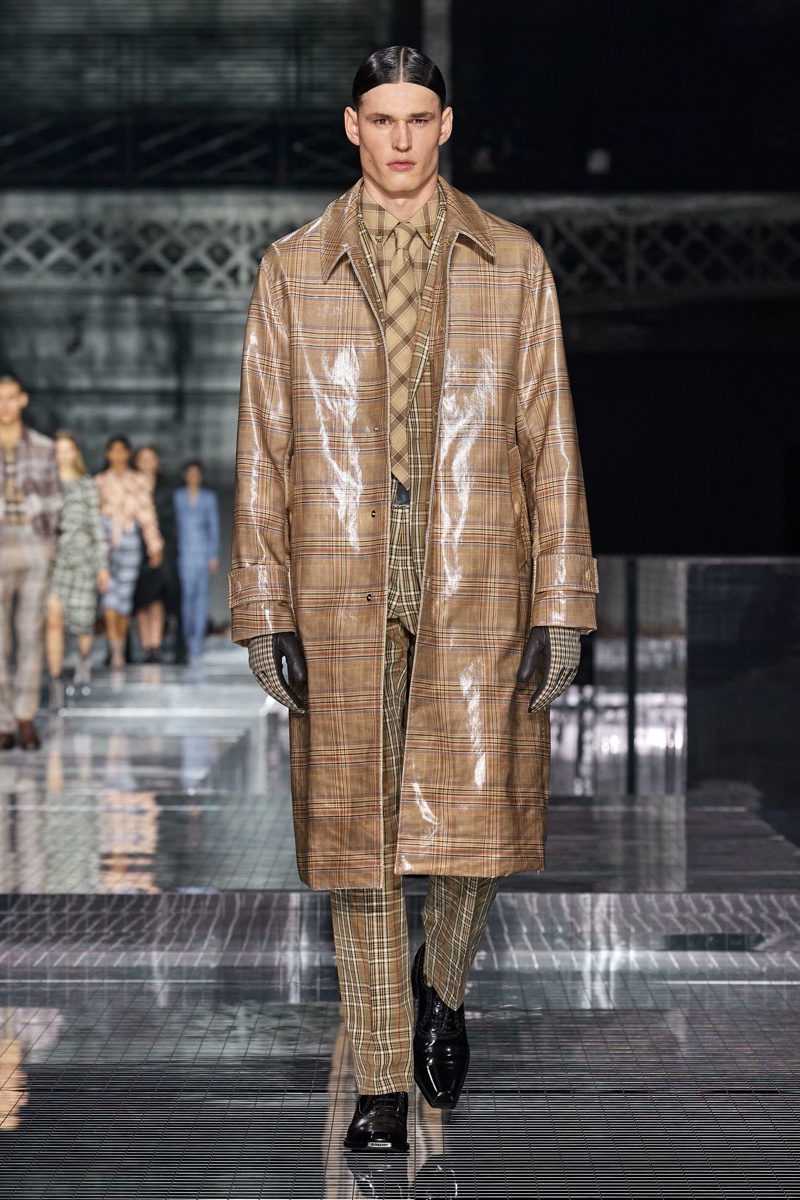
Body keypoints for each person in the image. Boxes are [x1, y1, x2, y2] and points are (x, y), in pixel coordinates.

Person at [229, 46, 598, 1153]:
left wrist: (562, 599)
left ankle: (443, 982)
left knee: (473, 820)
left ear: (445, 125)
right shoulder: (293, 269)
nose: (399, 139)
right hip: (336, 574)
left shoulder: (511, 260)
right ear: (352, 126)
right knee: (357, 837)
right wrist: (263, 606)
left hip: (479, 569)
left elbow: (550, 438)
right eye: (380, 118)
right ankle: (382, 1081)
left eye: (417, 119)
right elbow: (264, 448)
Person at [0, 375, 61, 751]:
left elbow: (56, 498)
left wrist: (48, 543)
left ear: (22, 400)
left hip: (33, 543)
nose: (3, 405)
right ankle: (3, 719)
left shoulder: (43, 446)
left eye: (9, 398)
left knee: (29, 634)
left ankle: (25, 716)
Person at [46, 430, 109, 692]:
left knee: (83, 622)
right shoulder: (44, 483)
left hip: (83, 560)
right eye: (57, 450)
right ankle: (55, 678)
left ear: (75, 453)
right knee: (53, 617)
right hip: (52, 561)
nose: (62, 455)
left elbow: (96, 526)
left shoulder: (86, 485)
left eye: (67, 450)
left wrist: (102, 565)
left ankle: (84, 661)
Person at [95, 436, 163, 670]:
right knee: (108, 595)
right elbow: (94, 516)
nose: (117, 455)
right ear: (107, 454)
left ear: (127, 453)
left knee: (123, 598)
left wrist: (154, 545)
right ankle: (115, 649)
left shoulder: (138, 481)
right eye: (113, 450)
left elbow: (147, 513)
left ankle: (120, 647)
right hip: (105, 539)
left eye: (121, 450)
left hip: (130, 539)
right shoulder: (99, 481)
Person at [132, 445, 182, 663]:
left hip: (162, 548)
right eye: (142, 458)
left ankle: (155, 645)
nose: (146, 462)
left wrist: (164, 547)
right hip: (135, 547)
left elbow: (172, 521)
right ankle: (145, 646)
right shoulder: (130, 485)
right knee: (141, 599)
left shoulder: (166, 488)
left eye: (150, 458)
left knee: (157, 597)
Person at [173, 460, 219, 660]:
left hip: (201, 553)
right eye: (189, 473)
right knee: (185, 597)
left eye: (196, 473)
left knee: (201, 598)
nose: (193, 477)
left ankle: (198, 641)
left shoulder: (208, 498)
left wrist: (213, 554)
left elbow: (213, 527)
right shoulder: (177, 496)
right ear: (185, 475)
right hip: (183, 552)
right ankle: (187, 638)